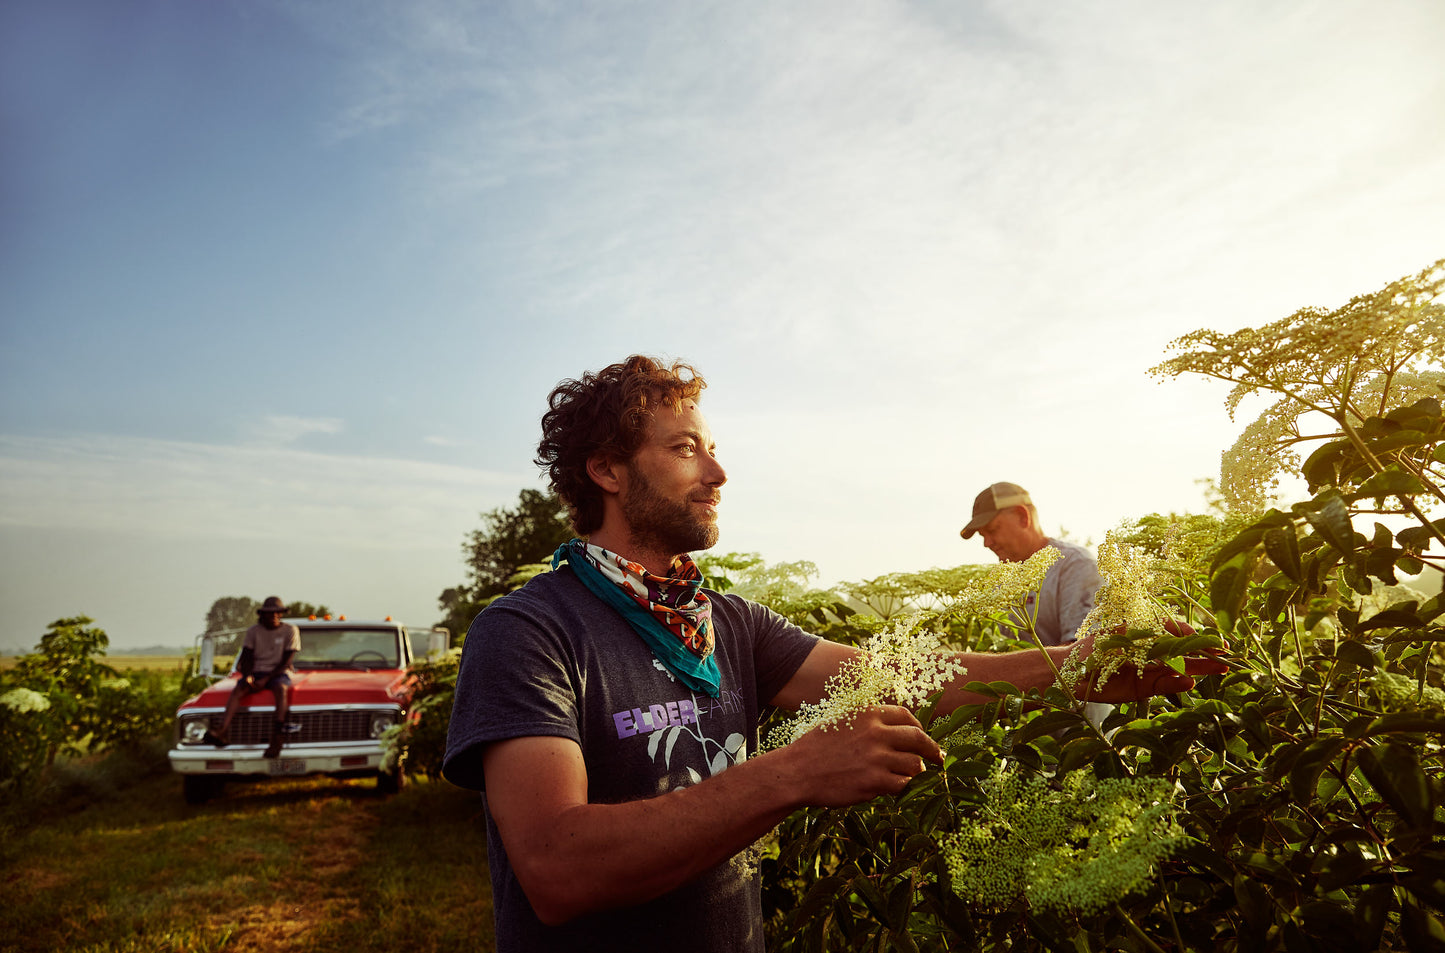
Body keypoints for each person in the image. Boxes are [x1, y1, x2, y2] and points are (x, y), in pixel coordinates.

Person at [442, 356, 1223, 953]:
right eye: (685, 449)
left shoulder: (728, 622)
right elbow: (556, 868)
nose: (717, 472)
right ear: (606, 470)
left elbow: (914, 676)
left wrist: (1073, 668)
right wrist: (794, 771)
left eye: (712, 449)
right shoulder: (528, 630)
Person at [960, 482, 1103, 647]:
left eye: (992, 530)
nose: (986, 543)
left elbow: (1080, 652)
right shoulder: (1000, 580)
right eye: (982, 535)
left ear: (1023, 517)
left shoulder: (1075, 565)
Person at [205, 596, 300, 759]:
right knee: (238, 690)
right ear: (262, 615)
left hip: (278, 673)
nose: (274, 616)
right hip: (255, 672)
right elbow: (246, 657)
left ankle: (277, 737)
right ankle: (222, 730)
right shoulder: (253, 631)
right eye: (270, 613)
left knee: (281, 689)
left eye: (277, 613)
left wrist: (265, 680)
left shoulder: (291, 630)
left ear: (282, 614)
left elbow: (286, 661)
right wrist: (248, 676)